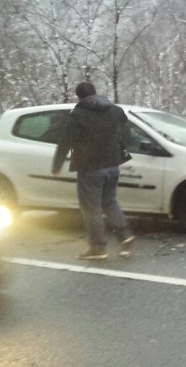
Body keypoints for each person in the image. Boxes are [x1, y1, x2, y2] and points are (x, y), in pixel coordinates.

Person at [52, 82, 135, 260]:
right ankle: (125, 234)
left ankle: (98, 248)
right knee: (109, 201)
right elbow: (124, 130)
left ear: (79, 96)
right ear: (96, 93)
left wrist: (57, 165)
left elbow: (65, 141)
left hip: (90, 168)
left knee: (91, 209)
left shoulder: (78, 115)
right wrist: (122, 152)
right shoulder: (115, 111)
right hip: (113, 166)